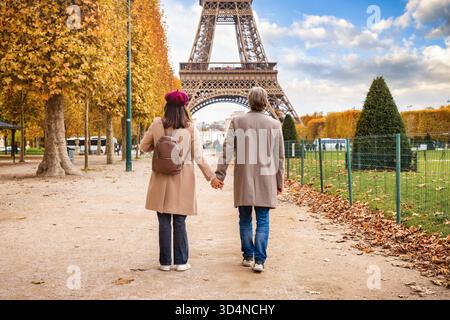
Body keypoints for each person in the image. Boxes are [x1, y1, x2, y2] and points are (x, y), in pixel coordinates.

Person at [140, 90, 223, 272]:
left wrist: (160, 144)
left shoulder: (156, 124)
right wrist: (212, 178)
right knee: (179, 221)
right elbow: (199, 157)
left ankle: (164, 262)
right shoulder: (190, 128)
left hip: (161, 177)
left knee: (163, 220)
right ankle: (181, 261)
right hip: (183, 177)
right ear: (184, 108)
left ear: (167, 106)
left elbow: (143, 147)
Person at [212, 87, 285, 273]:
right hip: (266, 178)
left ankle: (248, 256)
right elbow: (279, 157)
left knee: (244, 219)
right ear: (265, 101)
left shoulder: (237, 122)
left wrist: (220, 175)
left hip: (244, 178)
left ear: (249, 100)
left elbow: (227, 149)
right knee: (263, 219)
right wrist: (279, 182)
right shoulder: (275, 124)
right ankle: (259, 261)